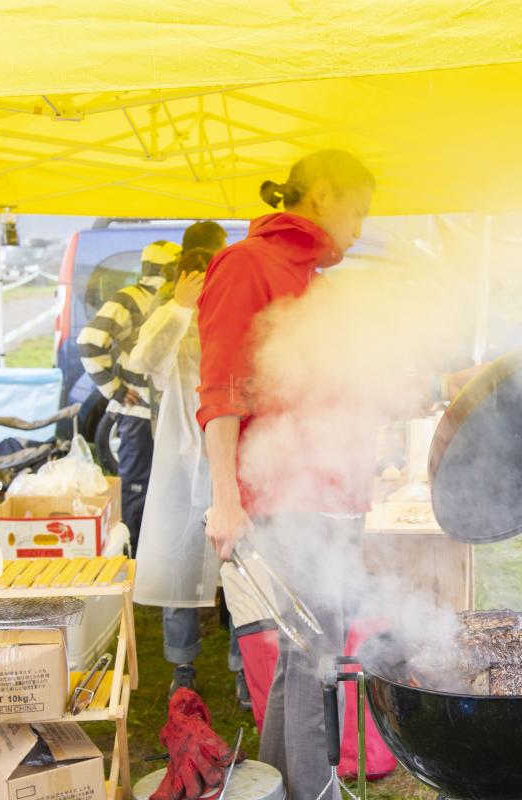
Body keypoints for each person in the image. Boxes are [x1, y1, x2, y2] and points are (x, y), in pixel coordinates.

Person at [196, 150, 375, 800]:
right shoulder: (246, 265)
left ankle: (274, 788)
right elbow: (219, 390)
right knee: (317, 661)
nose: (358, 231)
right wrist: (223, 500)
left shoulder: (318, 285)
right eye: (357, 212)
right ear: (322, 194)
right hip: (279, 497)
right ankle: (314, 793)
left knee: (306, 657)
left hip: (327, 495)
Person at [131, 249, 226, 694]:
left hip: (226, 459)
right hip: (181, 464)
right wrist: (180, 307)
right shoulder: (172, 323)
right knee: (178, 566)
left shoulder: (232, 319)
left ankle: (244, 665)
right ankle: (183, 667)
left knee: (238, 569)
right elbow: (147, 359)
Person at [77, 240, 181, 551]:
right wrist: (116, 389)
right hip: (138, 415)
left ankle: (149, 552)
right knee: (137, 486)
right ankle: (134, 556)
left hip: (159, 412)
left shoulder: (166, 300)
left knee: (155, 485)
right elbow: (89, 342)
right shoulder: (129, 299)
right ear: (170, 268)